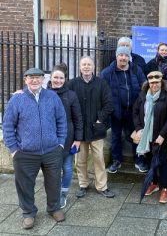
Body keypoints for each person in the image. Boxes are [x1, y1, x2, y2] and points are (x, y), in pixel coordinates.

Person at [3, 68, 67, 229]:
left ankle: (54, 208)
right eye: (31, 78)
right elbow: (8, 125)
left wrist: (60, 143)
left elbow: (62, 121)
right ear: (25, 80)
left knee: (53, 182)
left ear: (43, 80)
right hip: (25, 153)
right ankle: (28, 213)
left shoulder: (52, 97)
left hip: (52, 150)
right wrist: (13, 149)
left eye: (38, 78)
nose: (35, 81)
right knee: (25, 185)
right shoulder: (17, 100)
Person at [68, 56, 115, 199]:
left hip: (96, 130)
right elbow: (62, 98)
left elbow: (109, 104)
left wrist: (100, 119)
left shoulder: (101, 83)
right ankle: (83, 184)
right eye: (84, 65)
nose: (86, 67)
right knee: (80, 160)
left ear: (93, 67)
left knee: (99, 159)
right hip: (79, 130)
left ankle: (102, 186)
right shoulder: (72, 84)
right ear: (80, 67)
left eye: (89, 64)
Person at [101, 46, 147, 173]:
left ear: (129, 57)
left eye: (126, 55)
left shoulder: (136, 69)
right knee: (115, 136)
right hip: (116, 110)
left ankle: (139, 160)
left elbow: (144, 86)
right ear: (116, 56)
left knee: (136, 135)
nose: (123, 58)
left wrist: (141, 105)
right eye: (121, 55)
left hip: (133, 111)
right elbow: (103, 92)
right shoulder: (107, 72)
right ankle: (116, 161)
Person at [132, 71, 167, 203]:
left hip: (161, 137)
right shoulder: (143, 96)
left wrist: (162, 135)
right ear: (148, 84)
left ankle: (165, 188)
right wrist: (138, 129)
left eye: (157, 82)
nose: (154, 85)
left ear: (161, 83)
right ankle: (154, 183)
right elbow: (136, 112)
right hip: (146, 137)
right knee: (150, 162)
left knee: (162, 163)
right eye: (152, 83)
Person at [47, 63, 83, 208]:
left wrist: (78, 139)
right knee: (52, 170)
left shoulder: (71, 95)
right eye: (55, 77)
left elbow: (78, 118)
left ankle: (63, 193)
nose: (58, 80)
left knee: (67, 168)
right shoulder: (43, 93)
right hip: (49, 139)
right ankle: (53, 193)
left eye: (61, 78)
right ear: (50, 77)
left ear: (65, 79)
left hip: (67, 138)